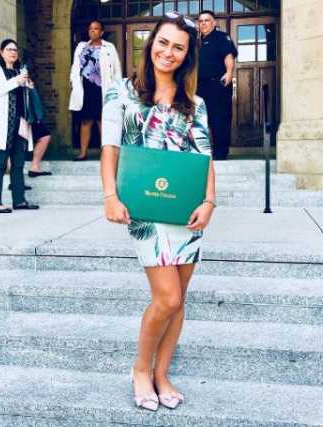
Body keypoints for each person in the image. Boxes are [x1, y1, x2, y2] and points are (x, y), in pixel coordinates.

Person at [101, 12, 216, 411]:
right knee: (166, 298)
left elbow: (205, 157)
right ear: (151, 44)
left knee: (179, 299)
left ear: (187, 56)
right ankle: (140, 368)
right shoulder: (120, 92)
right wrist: (110, 195)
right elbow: (110, 148)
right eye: (163, 43)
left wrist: (209, 202)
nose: (169, 52)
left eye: (179, 47)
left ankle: (162, 374)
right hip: (144, 207)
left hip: (186, 209)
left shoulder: (195, 103)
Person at [0, 39, 39, 213]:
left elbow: (24, 97)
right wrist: (17, 80)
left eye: (15, 50)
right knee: (0, 162)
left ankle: (20, 200)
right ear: (1, 52)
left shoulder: (20, 70)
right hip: (3, 124)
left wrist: (28, 86)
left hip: (19, 123)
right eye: (9, 49)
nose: (13, 52)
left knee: (18, 163)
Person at [69, 19, 122, 161]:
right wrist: (73, 82)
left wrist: (116, 90)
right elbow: (75, 67)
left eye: (96, 28)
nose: (92, 31)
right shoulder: (81, 47)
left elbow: (116, 69)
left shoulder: (109, 47)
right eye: (90, 28)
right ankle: (83, 153)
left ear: (101, 32)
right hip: (85, 89)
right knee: (85, 121)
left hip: (103, 89)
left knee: (102, 121)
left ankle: (106, 154)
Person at [0, 87, 52, 179]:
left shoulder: (23, 77)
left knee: (44, 136)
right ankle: (15, 177)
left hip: (25, 117)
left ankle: (34, 167)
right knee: (10, 146)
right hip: (6, 118)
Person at [197, 10, 237, 160]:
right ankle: (203, 152)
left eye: (207, 20)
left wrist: (229, 72)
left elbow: (228, 56)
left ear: (213, 23)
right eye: (201, 21)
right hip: (199, 86)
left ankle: (220, 154)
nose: (203, 23)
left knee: (219, 119)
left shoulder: (221, 37)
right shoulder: (196, 41)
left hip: (217, 85)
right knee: (200, 119)